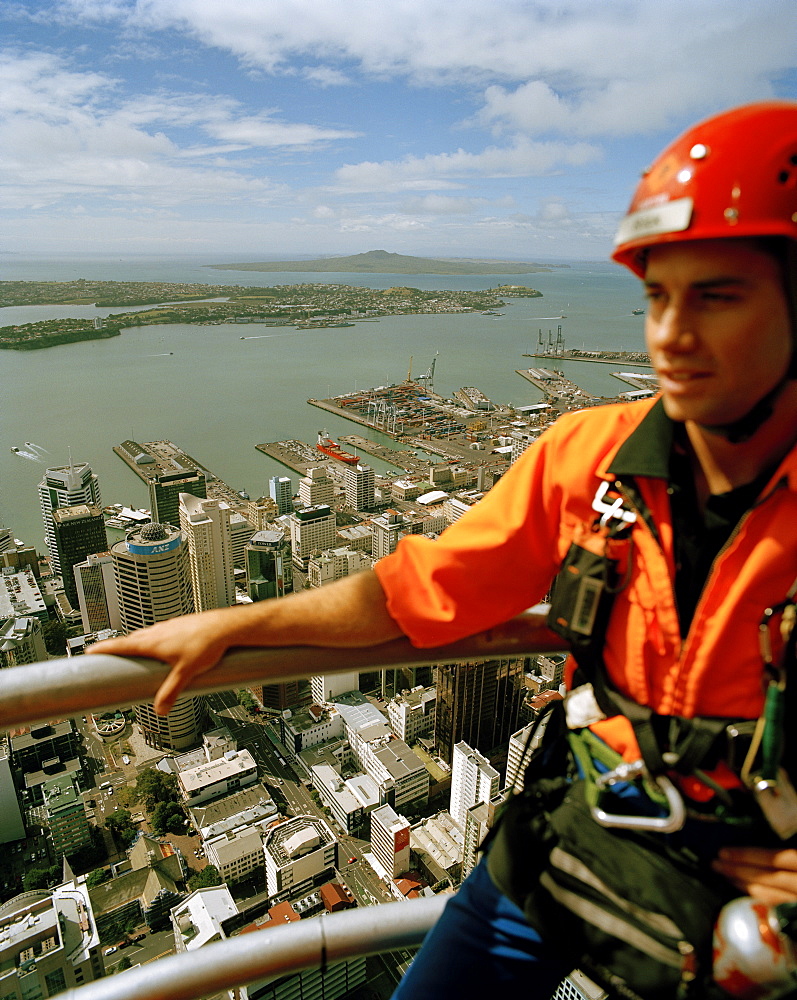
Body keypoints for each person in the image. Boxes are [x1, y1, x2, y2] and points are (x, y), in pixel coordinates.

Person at [93, 101, 797, 997]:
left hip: (740, 898)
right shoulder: (586, 462)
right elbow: (412, 592)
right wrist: (233, 624)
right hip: (565, 834)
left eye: (717, 296)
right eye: (657, 295)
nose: (668, 334)